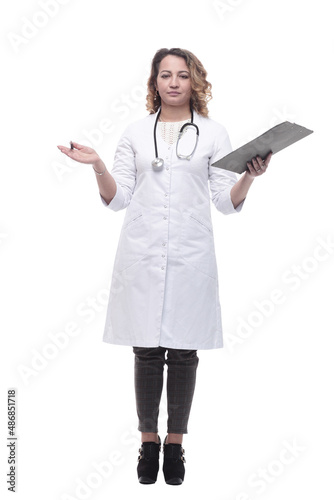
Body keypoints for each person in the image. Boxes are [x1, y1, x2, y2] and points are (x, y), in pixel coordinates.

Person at [57, 47, 272, 486]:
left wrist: (250, 175)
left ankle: (175, 445)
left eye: (182, 75)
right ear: (154, 82)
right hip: (142, 250)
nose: (174, 82)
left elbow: (224, 203)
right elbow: (118, 199)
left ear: (196, 81)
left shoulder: (214, 134)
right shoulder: (136, 133)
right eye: (165, 75)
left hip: (191, 254)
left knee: (185, 351)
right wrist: (97, 164)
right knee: (147, 350)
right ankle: (147, 441)